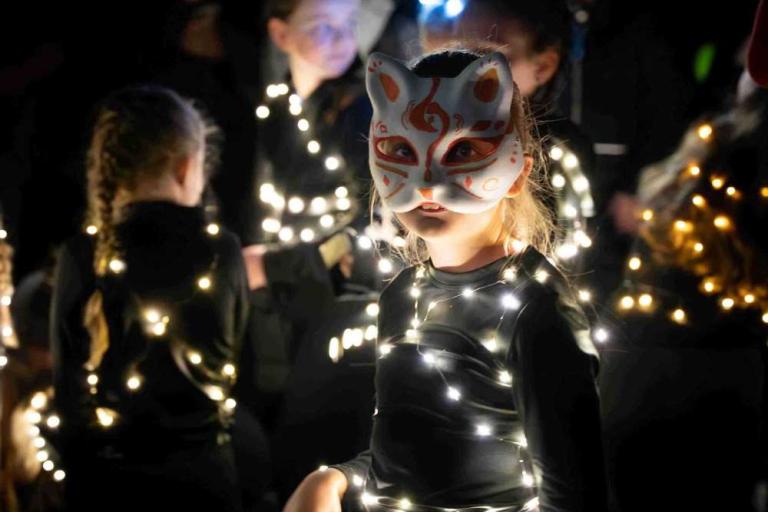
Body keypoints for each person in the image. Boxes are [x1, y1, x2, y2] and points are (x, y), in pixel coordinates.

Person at [284, 49, 607, 512]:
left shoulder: (536, 310)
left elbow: (574, 498)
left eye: (461, 151)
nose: (427, 182)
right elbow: (405, 460)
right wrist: (334, 480)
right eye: (401, 150)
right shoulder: (403, 294)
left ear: (518, 171)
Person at [50, 85, 249, 512]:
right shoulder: (223, 252)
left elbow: (69, 398)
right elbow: (241, 365)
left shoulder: (82, 255)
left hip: (109, 485)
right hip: (205, 482)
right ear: (185, 168)